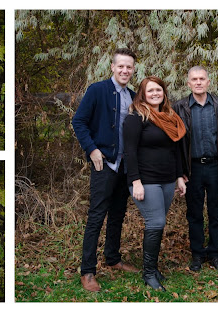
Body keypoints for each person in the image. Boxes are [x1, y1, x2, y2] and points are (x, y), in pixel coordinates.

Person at [71, 48, 140, 292]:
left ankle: (113, 258)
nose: (125, 70)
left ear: (133, 70)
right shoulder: (97, 90)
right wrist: (92, 149)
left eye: (129, 67)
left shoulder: (133, 96)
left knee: (118, 214)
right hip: (104, 164)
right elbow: (78, 121)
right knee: (96, 216)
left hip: (125, 166)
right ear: (112, 67)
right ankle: (88, 271)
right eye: (121, 66)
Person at [123, 76, 187, 291]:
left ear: (164, 92)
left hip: (167, 180)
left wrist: (179, 177)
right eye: (150, 91)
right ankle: (148, 272)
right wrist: (135, 181)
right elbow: (129, 151)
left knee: (158, 225)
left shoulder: (169, 116)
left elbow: (175, 148)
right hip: (146, 180)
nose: (154, 94)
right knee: (156, 223)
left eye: (158, 90)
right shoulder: (136, 117)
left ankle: (153, 268)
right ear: (143, 93)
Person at [172, 66, 218, 272]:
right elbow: (175, 143)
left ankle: (215, 253)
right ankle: (197, 253)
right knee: (194, 213)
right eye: (194, 79)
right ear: (188, 83)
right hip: (193, 169)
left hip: (216, 166)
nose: (198, 82)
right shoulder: (179, 107)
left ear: (208, 82)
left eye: (202, 79)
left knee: (216, 212)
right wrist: (180, 172)